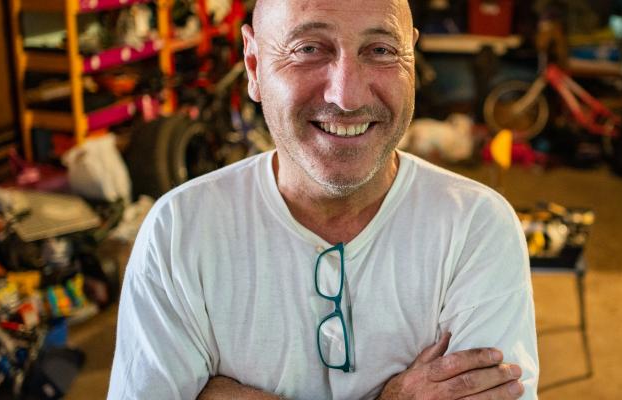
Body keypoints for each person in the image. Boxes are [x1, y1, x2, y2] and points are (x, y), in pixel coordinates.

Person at [106, 0, 538, 398]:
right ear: (254, 65)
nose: (346, 96)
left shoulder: (475, 227)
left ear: (411, 58)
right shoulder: (180, 232)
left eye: (382, 50)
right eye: (309, 48)